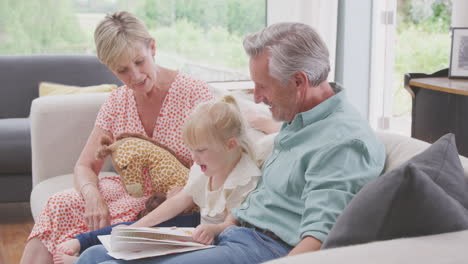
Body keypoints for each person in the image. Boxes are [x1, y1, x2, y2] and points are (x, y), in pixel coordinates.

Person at [76, 22, 386, 264]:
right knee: (94, 256)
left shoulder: (344, 143)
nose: (258, 96)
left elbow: (319, 238)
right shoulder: (300, 119)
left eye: (263, 86)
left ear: (299, 83)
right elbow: (265, 199)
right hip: (233, 235)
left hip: (267, 250)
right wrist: (221, 226)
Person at [20, 11, 214, 264]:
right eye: (122, 70)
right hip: (128, 193)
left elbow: (217, 163)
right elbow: (85, 165)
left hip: (177, 200)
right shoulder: (116, 102)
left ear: (152, 47)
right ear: (109, 68)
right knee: (59, 204)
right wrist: (93, 198)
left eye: (139, 62)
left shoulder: (195, 93)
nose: (134, 76)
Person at [54, 95, 262, 264]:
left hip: (213, 242)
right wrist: (137, 227)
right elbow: (179, 201)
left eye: (200, 150)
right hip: (194, 233)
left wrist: (213, 229)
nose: (194, 158)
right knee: (122, 237)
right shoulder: (203, 169)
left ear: (230, 145)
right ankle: (86, 251)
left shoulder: (244, 178)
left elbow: (232, 224)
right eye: (192, 150)